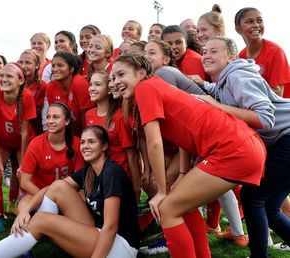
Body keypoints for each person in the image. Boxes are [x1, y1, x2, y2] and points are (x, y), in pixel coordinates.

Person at [112, 54, 266, 258]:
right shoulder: (157, 86)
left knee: (167, 208)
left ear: (141, 73)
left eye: (121, 74)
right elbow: (184, 139)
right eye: (113, 77)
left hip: (233, 149)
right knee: (184, 205)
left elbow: (154, 142)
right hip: (243, 145)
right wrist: (183, 173)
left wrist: (160, 190)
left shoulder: (145, 87)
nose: (116, 82)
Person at [0, 125, 140, 258]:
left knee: (42, 220)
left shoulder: (112, 172)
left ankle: (27, 239)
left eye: (92, 142)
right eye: (83, 142)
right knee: (58, 187)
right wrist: (25, 210)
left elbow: (111, 227)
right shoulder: (89, 171)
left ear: (104, 146)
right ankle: (31, 237)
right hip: (99, 234)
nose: (85, 146)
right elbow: (51, 189)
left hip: (120, 247)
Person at [196, 36, 290, 258]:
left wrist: (216, 105)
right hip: (283, 140)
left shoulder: (238, 75)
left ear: (231, 57)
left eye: (214, 51)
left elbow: (265, 118)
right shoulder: (225, 79)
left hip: (288, 137)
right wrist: (203, 86)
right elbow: (221, 92)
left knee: (252, 196)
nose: (206, 55)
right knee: (268, 206)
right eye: (205, 51)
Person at [0, 62, 36, 234]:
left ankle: (15, 204)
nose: (4, 79)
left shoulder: (27, 96)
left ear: (21, 80)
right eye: (2, 76)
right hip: (2, 141)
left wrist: (23, 163)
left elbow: (24, 131)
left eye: (9, 76)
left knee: (22, 175)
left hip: (22, 141)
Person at [18, 102, 84, 210]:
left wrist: (59, 196)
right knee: (23, 206)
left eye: (56, 117)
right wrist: (46, 197)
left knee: (84, 199)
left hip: (66, 193)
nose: (50, 121)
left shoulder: (76, 143)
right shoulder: (36, 144)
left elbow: (78, 180)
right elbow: (25, 181)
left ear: (67, 121)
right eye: (48, 117)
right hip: (39, 192)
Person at [86, 71, 141, 199]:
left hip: (119, 177)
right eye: (91, 84)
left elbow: (132, 155)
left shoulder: (119, 116)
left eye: (97, 84)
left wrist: (136, 187)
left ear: (109, 89)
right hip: (97, 176)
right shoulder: (89, 114)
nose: (92, 88)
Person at [235, 7, 290, 98]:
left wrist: (248, 88)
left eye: (260, 21)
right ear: (238, 29)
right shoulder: (241, 57)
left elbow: (278, 94)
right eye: (249, 22)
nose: (256, 25)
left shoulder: (275, 52)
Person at [45, 51, 94, 136]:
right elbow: (54, 116)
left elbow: (85, 117)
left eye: (60, 65)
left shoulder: (79, 83)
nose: (55, 69)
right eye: (53, 66)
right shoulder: (50, 86)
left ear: (71, 69)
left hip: (83, 132)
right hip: (64, 133)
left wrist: (83, 139)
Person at [17, 49, 46, 136]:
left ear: (36, 65)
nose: (23, 66)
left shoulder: (41, 86)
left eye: (28, 63)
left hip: (33, 128)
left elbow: (38, 113)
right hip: (15, 125)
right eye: (21, 62)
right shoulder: (14, 83)